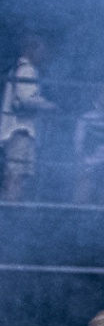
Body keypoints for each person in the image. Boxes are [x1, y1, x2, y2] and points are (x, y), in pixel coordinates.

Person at [1, 36, 54, 202]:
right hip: (20, 130)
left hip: (19, 130)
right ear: (31, 50)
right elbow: (26, 98)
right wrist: (48, 106)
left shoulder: (19, 68)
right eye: (41, 51)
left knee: (18, 173)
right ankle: (11, 206)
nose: (43, 55)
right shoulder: (27, 70)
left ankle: (12, 203)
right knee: (16, 173)